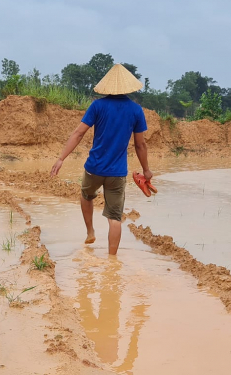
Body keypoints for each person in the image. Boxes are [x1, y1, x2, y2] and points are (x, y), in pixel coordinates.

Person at [50, 64, 153, 255]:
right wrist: (146, 170)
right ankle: (112, 260)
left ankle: (90, 231)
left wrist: (61, 158)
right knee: (114, 218)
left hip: (94, 168)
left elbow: (79, 133)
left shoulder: (97, 106)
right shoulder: (136, 110)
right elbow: (140, 145)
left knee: (86, 196)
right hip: (117, 173)